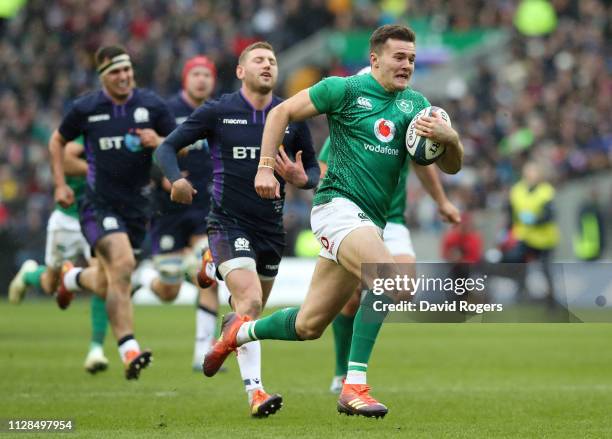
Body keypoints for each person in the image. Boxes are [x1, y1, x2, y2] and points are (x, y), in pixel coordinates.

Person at [203, 24, 464, 418]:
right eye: (399, 57)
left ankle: (238, 331)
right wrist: (265, 166)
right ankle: (354, 385)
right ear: (374, 59)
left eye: (411, 58)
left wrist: (452, 139)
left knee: (309, 325)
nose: (407, 64)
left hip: (369, 223)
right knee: (393, 280)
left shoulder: (416, 105)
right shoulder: (345, 90)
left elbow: (448, 165)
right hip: (336, 208)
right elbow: (281, 111)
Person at [155, 41, 320, 417]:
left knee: (247, 317)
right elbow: (166, 148)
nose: (268, 65)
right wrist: (175, 181)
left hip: (270, 231)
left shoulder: (290, 115)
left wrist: (302, 178)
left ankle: (212, 266)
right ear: (241, 71)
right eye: (259, 60)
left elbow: (310, 169)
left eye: (273, 61)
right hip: (228, 221)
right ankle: (256, 393)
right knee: (250, 303)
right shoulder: (219, 110)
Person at [48, 45, 176, 380]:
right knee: (123, 264)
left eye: (127, 70)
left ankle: (71, 277)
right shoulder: (87, 107)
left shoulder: (151, 105)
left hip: (137, 207)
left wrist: (159, 140)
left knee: (107, 282)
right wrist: (60, 184)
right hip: (98, 205)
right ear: (103, 76)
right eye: (115, 72)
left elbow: (183, 143)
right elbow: (57, 142)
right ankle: (128, 347)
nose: (123, 77)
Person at [318, 133, 461, 393]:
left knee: (403, 288)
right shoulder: (352, 115)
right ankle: (344, 373)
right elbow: (324, 167)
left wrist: (441, 201)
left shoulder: (409, 121)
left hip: (392, 219)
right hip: (353, 218)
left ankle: (353, 371)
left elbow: (422, 163)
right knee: (347, 302)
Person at [134, 56, 219, 371]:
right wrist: (160, 170)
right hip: (167, 208)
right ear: (185, 78)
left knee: (210, 272)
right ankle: (147, 280)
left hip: (205, 207)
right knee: (169, 290)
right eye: (195, 73)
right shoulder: (165, 111)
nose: (201, 80)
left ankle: (203, 354)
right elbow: (142, 152)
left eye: (206, 74)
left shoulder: (218, 112)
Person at [8, 139, 110, 374]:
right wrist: (100, 167)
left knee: (103, 280)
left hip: (96, 218)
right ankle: (30, 274)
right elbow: (64, 162)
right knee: (49, 284)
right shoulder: (82, 134)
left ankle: (96, 349)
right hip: (67, 219)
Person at [505, 161, 559, 306]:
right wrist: (507, 231)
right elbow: (510, 214)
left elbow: (550, 215)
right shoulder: (517, 190)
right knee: (517, 263)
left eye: (534, 171)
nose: (531, 174)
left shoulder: (546, 191)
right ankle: (520, 293)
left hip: (544, 239)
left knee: (545, 269)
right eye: (529, 171)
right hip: (524, 237)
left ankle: (551, 299)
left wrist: (534, 220)